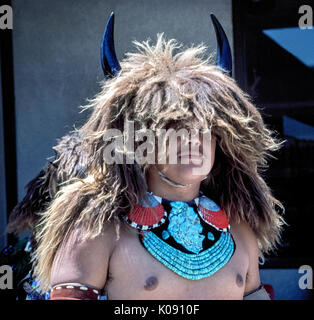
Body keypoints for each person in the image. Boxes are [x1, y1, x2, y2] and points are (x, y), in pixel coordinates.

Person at [12, 13, 286, 300]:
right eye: (174, 127)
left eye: (206, 129)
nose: (193, 140)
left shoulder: (240, 232)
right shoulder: (96, 229)